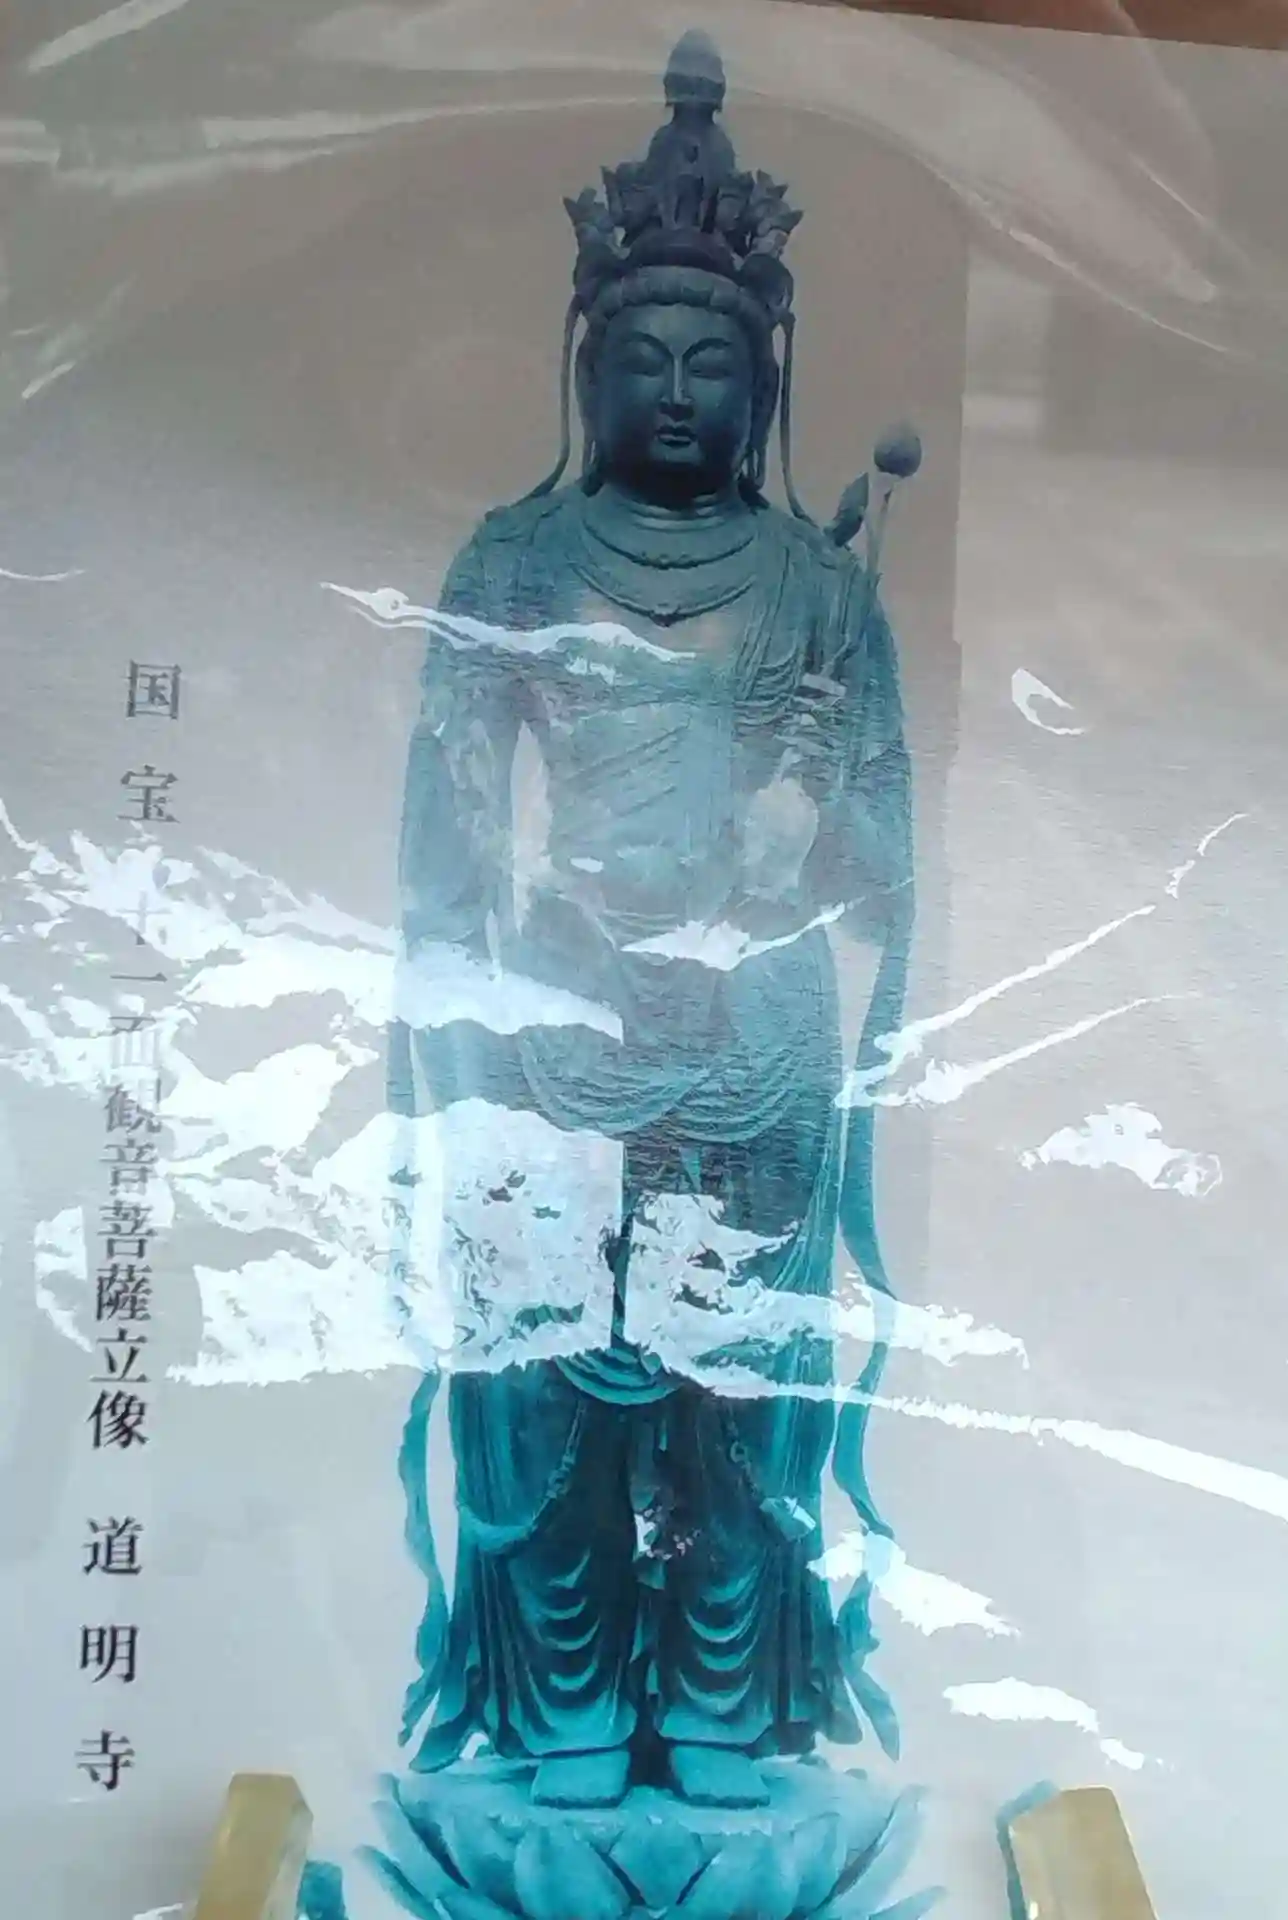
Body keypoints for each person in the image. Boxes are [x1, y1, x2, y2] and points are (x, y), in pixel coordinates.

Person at [390, 31, 914, 1812]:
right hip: (560, 1021)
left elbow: (882, 857)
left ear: (762, 385)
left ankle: (720, 1711)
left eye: (712, 363)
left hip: (755, 1043)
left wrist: (809, 817)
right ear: (588, 366)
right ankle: (553, 1712)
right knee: (547, 1389)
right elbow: (450, 841)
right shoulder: (515, 562)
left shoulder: (821, 590)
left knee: (737, 1402)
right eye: (644, 358)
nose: (678, 392)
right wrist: (479, 1014)